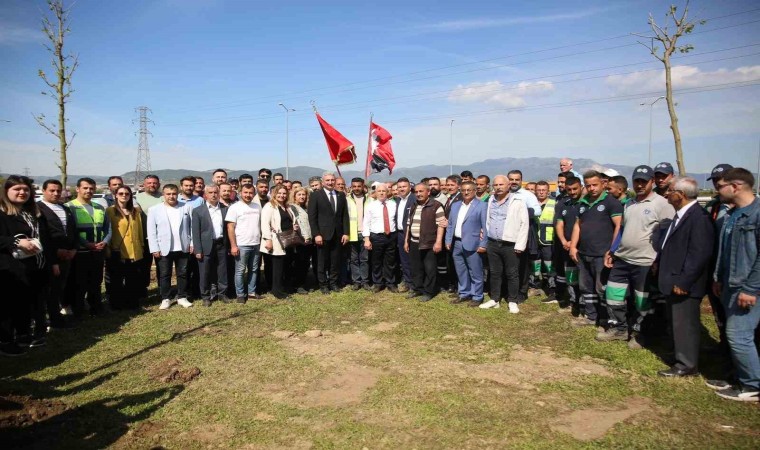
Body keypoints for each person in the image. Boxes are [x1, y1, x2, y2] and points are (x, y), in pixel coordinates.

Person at [599, 166, 674, 344]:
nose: (639, 185)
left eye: (644, 181)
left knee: (643, 301)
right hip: (622, 259)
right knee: (613, 294)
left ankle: (641, 333)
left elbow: (667, 235)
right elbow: (623, 229)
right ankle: (619, 328)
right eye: (636, 181)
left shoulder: (662, 204)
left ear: (652, 182)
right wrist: (613, 250)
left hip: (645, 261)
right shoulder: (629, 203)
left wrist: (660, 259)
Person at [656, 177, 714, 377]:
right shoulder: (681, 214)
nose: (666, 194)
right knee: (678, 322)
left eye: (670, 191)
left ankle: (686, 365)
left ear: (680, 195)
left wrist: (684, 281)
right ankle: (680, 355)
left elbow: (700, 253)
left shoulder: (699, 218)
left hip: (685, 283)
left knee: (685, 324)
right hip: (673, 278)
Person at [713, 168, 760, 402]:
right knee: (733, 334)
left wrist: (751, 289)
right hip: (730, 284)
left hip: (747, 288)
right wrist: (719, 278)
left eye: (721, 185)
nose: (717, 190)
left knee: (739, 335)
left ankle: (752, 385)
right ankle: (738, 378)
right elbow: (725, 252)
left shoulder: (756, 214)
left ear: (736, 186)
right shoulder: (733, 214)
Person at [0, 175, 53, 355]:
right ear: (6, 191)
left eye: (26, 190)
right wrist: (16, 242)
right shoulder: (2, 213)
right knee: (9, 305)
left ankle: (23, 334)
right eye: (17, 189)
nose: (22, 192)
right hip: (10, 269)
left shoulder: (34, 213)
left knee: (27, 302)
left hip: (36, 266)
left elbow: (47, 238)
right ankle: (6, 341)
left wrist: (51, 262)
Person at [569, 170, 623, 327]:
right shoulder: (583, 202)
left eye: (595, 185)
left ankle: (606, 318)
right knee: (586, 287)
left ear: (603, 184)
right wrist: (573, 246)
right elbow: (577, 226)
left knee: (602, 288)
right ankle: (591, 316)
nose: (591, 188)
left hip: (602, 254)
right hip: (584, 253)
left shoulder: (611, 202)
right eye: (588, 185)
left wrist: (612, 250)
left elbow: (619, 227)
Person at [481, 175, 529, 313]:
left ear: (508, 186)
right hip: (493, 242)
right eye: (495, 185)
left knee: (512, 273)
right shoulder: (491, 200)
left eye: (501, 185)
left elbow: (524, 224)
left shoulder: (518, 202)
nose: (498, 187)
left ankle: (512, 300)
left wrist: (520, 245)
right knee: (495, 272)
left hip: (510, 244)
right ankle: (494, 299)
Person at [67, 177, 111, 316]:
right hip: (80, 252)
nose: (89, 191)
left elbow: (107, 228)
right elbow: (71, 231)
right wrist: (86, 244)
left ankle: (96, 308)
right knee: (79, 283)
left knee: (96, 282)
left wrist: (105, 242)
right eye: (85, 188)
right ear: (78, 189)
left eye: (91, 188)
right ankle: (79, 310)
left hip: (98, 251)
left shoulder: (99, 207)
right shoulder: (69, 207)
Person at [37, 179, 77, 328]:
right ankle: (52, 318)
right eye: (52, 190)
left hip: (67, 255)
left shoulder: (64, 207)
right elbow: (41, 236)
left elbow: (72, 230)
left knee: (60, 287)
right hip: (49, 257)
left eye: (58, 191)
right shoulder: (38, 209)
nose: (55, 193)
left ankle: (58, 314)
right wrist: (55, 252)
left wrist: (73, 249)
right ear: (43, 190)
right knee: (50, 289)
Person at [147, 184, 194, 310]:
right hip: (163, 248)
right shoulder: (154, 210)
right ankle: (165, 298)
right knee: (164, 274)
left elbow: (191, 227)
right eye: (168, 194)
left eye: (173, 194)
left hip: (183, 247)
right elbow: (151, 231)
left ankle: (182, 297)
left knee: (182, 273)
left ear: (177, 194)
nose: (171, 196)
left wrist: (192, 243)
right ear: (163, 195)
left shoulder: (186, 207)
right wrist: (154, 248)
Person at [445, 181, 488, 306]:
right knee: (461, 270)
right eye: (463, 190)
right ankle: (464, 293)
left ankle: (477, 296)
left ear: (475, 191)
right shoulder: (456, 205)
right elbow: (451, 224)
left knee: (475, 272)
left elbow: (485, 227)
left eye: (469, 190)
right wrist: (448, 240)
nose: (466, 192)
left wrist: (483, 244)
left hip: (473, 243)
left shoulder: (481, 206)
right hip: (456, 243)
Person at [308, 172, 349, 294]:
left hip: (338, 234)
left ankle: (333, 283)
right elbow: (312, 217)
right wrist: (316, 234)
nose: (330, 182)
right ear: (323, 181)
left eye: (332, 180)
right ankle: (323, 284)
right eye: (328, 180)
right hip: (322, 234)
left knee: (335, 261)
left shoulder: (341, 195)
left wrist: (346, 233)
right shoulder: (316, 195)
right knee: (322, 261)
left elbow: (344, 216)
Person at [105, 185, 145, 310]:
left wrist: (141, 246)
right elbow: (107, 231)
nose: (124, 196)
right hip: (117, 250)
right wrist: (109, 248)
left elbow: (139, 230)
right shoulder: (110, 211)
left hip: (134, 250)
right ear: (116, 195)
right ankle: (116, 304)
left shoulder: (135, 211)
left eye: (127, 194)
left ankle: (132, 303)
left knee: (132, 278)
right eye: (121, 193)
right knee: (116, 279)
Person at [404, 183, 445, 302]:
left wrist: (438, 242)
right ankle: (417, 289)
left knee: (430, 269)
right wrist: (406, 241)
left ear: (428, 192)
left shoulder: (436, 206)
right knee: (416, 268)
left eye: (421, 191)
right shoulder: (414, 205)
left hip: (429, 243)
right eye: (416, 192)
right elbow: (408, 224)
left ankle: (429, 292)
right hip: (414, 242)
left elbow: (441, 225)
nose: (418, 194)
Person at [192, 185, 229, 306]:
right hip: (205, 245)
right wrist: (197, 249)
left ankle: (222, 293)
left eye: (215, 192)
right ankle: (206, 296)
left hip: (221, 244)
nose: (213, 195)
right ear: (205, 195)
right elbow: (195, 232)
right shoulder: (198, 210)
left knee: (222, 270)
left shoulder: (225, 209)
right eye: (210, 192)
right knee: (205, 272)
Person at [507, 170, 541, 301]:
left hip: (522, 234)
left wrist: (519, 212)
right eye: (511, 179)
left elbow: (537, 211)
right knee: (509, 264)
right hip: (507, 234)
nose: (514, 182)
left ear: (521, 181)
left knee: (522, 265)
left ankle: (522, 291)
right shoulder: (504, 194)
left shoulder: (527, 195)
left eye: (517, 179)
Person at [260, 186, 298, 299]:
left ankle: (284, 287)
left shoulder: (287, 206)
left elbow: (289, 220)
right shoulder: (269, 206)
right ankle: (277, 291)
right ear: (274, 194)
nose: (282, 195)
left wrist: (294, 226)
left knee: (286, 265)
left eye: (284, 193)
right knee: (277, 267)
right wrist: (268, 239)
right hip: (276, 240)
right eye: (279, 193)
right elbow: (265, 224)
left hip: (287, 239)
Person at [226, 184, 263, 302]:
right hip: (241, 244)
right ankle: (240, 294)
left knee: (254, 269)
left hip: (256, 243)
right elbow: (230, 227)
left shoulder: (257, 207)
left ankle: (252, 292)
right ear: (240, 193)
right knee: (240, 271)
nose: (248, 195)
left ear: (254, 193)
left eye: (251, 193)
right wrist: (233, 245)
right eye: (245, 192)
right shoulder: (234, 207)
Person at [555, 177, 583, 313]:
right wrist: (564, 241)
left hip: (582, 247)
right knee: (571, 277)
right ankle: (573, 302)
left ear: (581, 187)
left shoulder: (586, 204)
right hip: (566, 246)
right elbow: (559, 224)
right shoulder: (563, 204)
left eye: (575, 189)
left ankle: (585, 306)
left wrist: (574, 242)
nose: (572, 192)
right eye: (569, 189)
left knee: (584, 278)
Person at [363, 184, 398, 293]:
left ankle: (390, 283)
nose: (382, 193)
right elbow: (366, 223)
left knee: (390, 261)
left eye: (384, 191)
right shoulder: (370, 206)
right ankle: (378, 283)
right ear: (375, 193)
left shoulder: (393, 205)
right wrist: (367, 239)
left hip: (391, 236)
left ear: (388, 192)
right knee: (376, 261)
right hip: (376, 237)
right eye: (379, 191)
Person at [534, 181, 557, 302]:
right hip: (534, 241)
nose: (541, 192)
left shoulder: (554, 204)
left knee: (549, 266)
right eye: (539, 190)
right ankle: (536, 286)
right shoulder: (532, 204)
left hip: (549, 241)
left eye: (544, 190)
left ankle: (552, 290)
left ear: (548, 191)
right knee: (535, 265)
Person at [347, 177, 370, 290]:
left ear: (363, 186)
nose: (356, 188)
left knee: (365, 259)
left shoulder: (370, 199)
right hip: (352, 234)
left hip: (365, 234)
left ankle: (365, 281)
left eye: (358, 186)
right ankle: (356, 281)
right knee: (354, 259)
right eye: (354, 186)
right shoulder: (347, 199)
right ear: (351, 187)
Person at [289, 187, 312, 294]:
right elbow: (297, 223)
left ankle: (303, 283)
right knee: (298, 263)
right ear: (294, 196)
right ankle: (298, 285)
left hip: (308, 240)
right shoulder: (293, 208)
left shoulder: (307, 207)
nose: (302, 197)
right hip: (300, 240)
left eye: (304, 195)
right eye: (299, 195)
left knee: (305, 263)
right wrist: (303, 237)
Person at [394, 178, 414, 292]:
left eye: (404, 186)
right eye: (399, 187)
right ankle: (408, 282)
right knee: (404, 260)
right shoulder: (397, 200)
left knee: (414, 259)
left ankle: (416, 283)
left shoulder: (415, 199)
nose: (402, 189)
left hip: (412, 234)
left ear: (409, 187)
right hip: (400, 234)